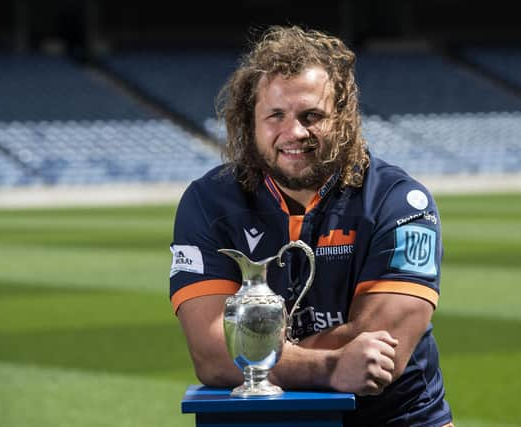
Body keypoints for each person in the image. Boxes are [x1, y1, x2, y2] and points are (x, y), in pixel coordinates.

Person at [169, 25, 454, 427]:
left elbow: (379, 356)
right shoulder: (208, 202)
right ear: (250, 122)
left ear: (343, 119)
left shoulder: (402, 203)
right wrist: (330, 366)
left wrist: (256, 351)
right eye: (276, 116)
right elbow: (212, 356)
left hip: (397, 420)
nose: (295, 132)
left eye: (312, 116)